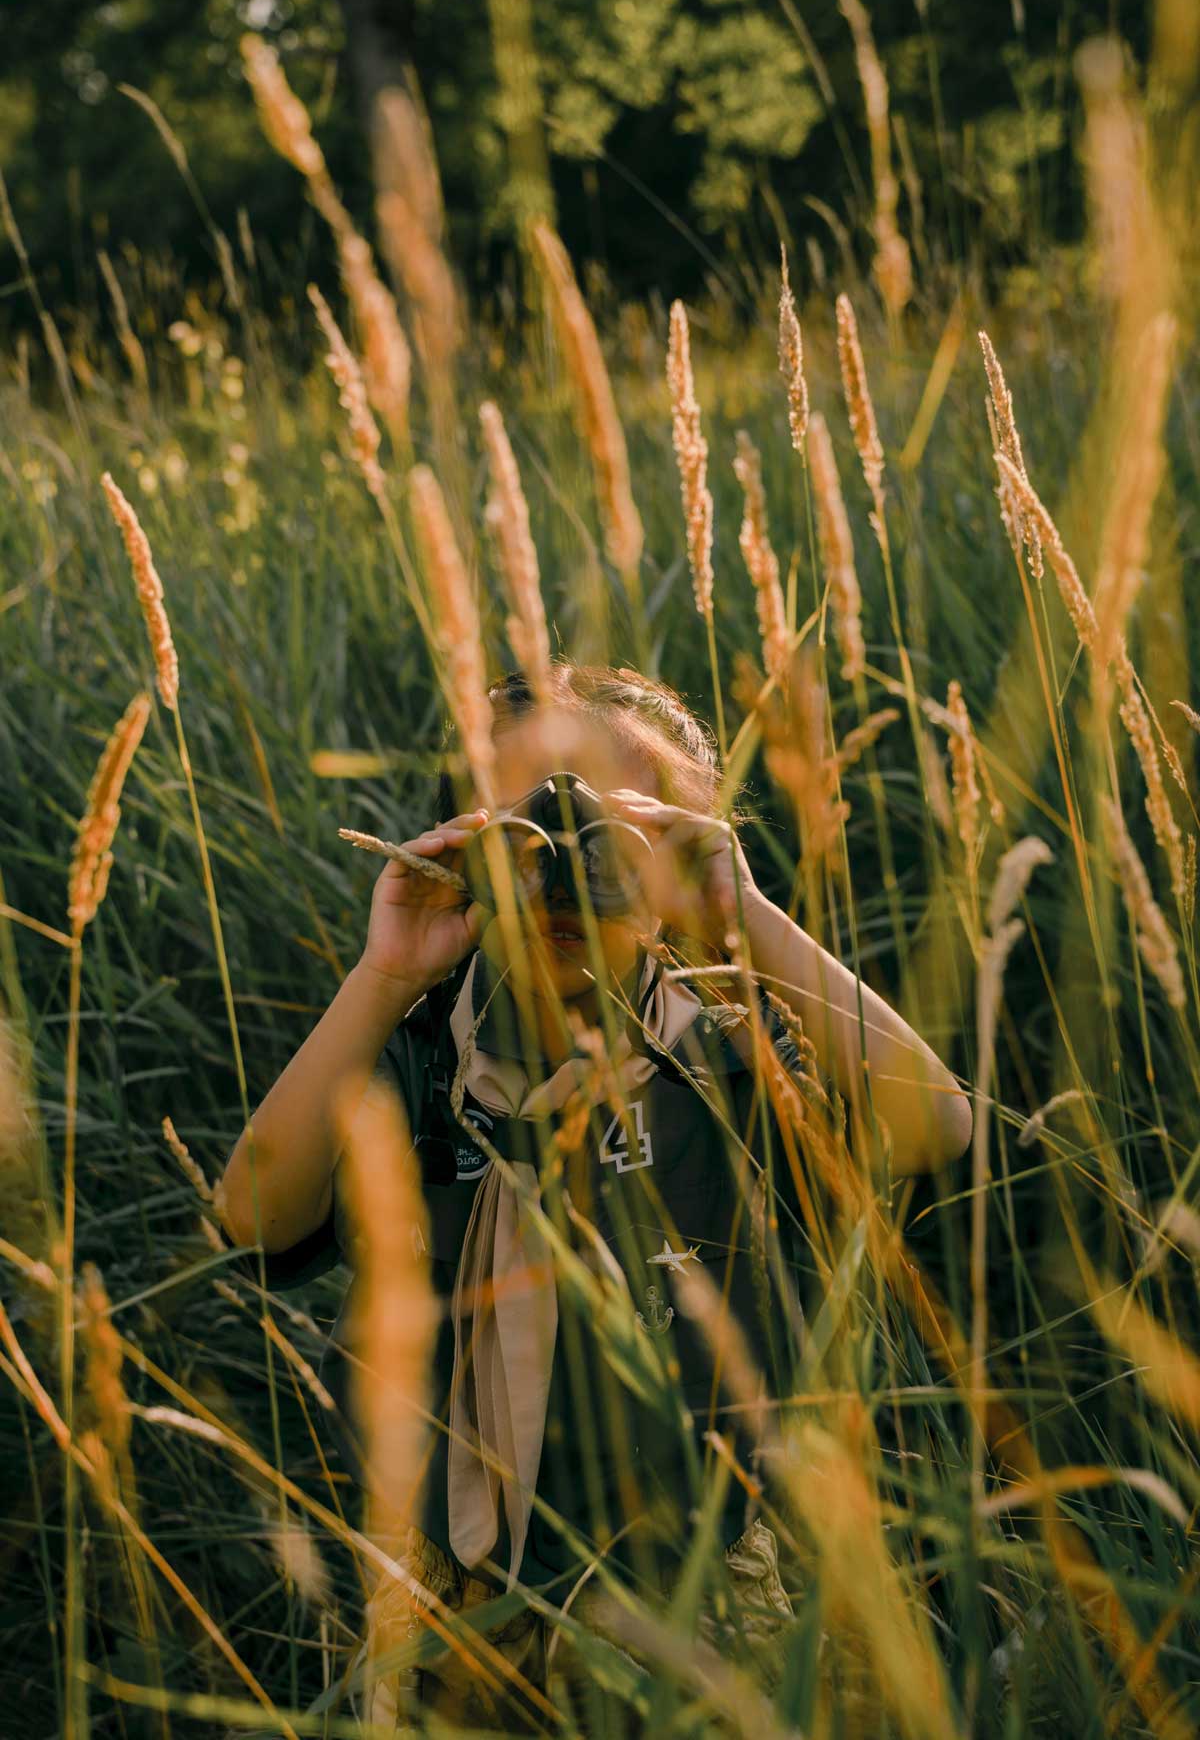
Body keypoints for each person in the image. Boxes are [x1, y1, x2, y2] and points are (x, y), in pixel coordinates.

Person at [218, 661, 971, 1731]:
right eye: (537, 827)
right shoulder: (421, 1060)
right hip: (452, 1586)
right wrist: (386, 974)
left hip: (712, 1574)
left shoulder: (732, 1055)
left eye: (624, 836)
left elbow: (938, 1124)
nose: (570, 872)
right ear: (472, 837)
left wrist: (742, 913)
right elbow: (251, 1217)